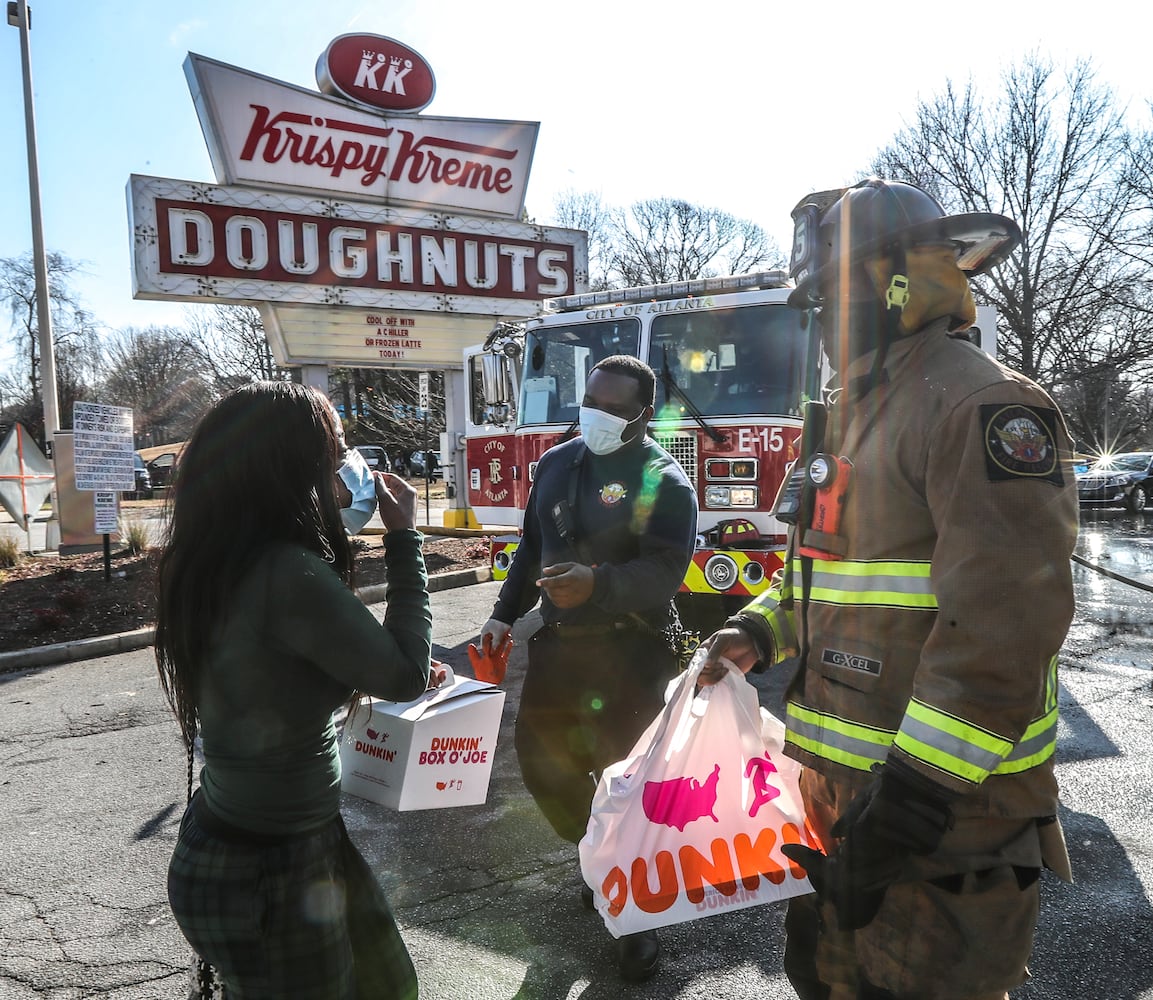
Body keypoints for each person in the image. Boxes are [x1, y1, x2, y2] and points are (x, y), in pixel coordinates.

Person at [702, 179, 1079, 1000]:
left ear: (892, 283)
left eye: (829, 298)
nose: (823, 324)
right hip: (842, 806)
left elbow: (1004, 629)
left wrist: (909, 804)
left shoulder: (982, 404)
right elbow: (831, 572)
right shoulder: (854, 408)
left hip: (946, 824)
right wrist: (759, 631)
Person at [156, 381, 440, 1000]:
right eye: (337, 459)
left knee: (387, 986)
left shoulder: (216, 558)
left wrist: (358, 665)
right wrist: (404, 540)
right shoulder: (285, 572)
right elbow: (402, 676)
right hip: (267, 871)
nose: (351, 475)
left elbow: (277, 678)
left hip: (270, 843)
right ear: (292, 471)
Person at [478, 355, 697, 982]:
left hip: (631, 653)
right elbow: (530, 549)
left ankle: (637, 918)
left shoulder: (664, 480)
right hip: (560, 648)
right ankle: (600, 860)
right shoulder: (555, 463)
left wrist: (597, 583)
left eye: (612, 407)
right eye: (591, 400)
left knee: (628, 788)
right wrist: (501, 614)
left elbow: (664, 572)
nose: (595, 414)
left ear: (642, 414)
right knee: (543, 764)